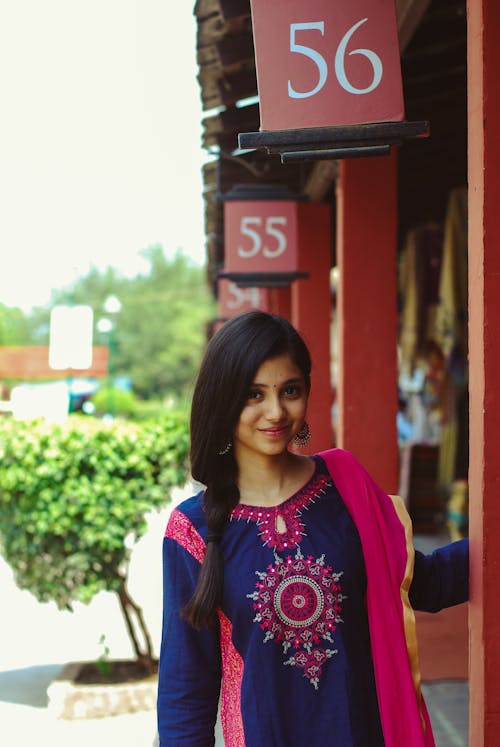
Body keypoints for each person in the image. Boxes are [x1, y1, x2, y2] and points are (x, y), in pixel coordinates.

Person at [157, 311, 469, 747]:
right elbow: (185, 693)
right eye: (253, 394)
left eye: (290, 391)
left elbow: (421, 582)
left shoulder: (344, 485)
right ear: (223, 398)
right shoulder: (192, 529)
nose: (276, 411)